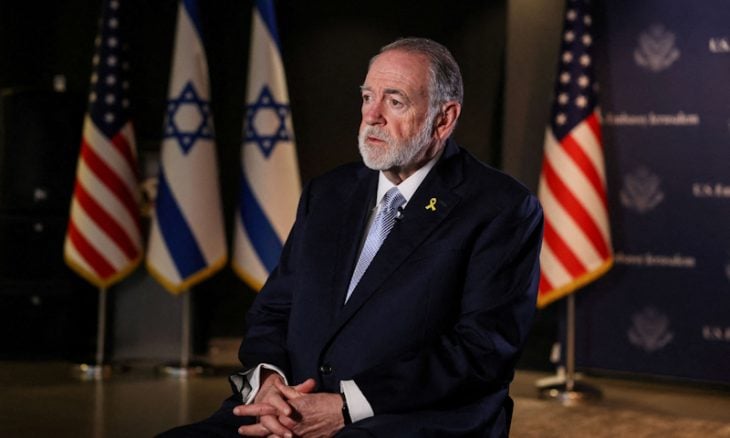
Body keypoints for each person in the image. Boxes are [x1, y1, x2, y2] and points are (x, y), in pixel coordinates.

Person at [160, 37, 543, 438]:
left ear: (443, 119)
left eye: (395, 101)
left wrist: (346, 406)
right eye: (367, 97)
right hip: (285, 408)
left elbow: (483, 350)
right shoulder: (327, 193)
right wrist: (269, 383)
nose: (372, 116)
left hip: (404, 419)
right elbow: (273, 310)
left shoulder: (501, 208)